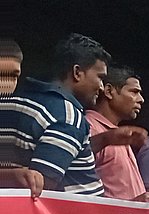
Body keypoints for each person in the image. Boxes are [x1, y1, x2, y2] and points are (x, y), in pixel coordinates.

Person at [0, 33, 109, 194]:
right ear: (77, 73)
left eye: (14, 75)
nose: (101, 87)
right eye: (100, 77)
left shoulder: (22, 101)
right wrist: (14, 177)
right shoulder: (67, 116)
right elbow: (40, 185)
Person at [86, 64, 149, 200]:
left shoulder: (119, 133)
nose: (141, 99)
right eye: (134, 92)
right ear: (109, 91)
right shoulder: (89, 128)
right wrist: (133, 204)